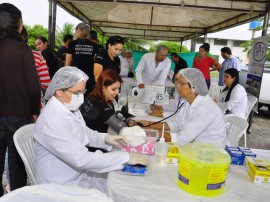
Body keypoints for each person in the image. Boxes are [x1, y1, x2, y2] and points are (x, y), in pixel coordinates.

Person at [33, 67, 147, 192]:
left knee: (121, 185)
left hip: (76, 173)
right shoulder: (53, 121)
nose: (81, 97)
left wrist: (106, 139)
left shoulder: (69, 108)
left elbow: (84, 132)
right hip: (58, 183)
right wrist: (125, 158)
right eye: (77, 93)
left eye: (83, 92)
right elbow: (82, 159)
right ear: (59, 91)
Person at [0, 3, 41, 196]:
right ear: (18, 23)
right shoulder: (22, 49)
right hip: (18, 113)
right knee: (16, 162)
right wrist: (35, 110)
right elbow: (34, 87)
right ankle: (17, 197)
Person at [139, 68, 228, 149]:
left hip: (210, 154)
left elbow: (181, 139)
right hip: (194, 147)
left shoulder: (205, 109)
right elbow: (174, 124)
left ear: (194, 87)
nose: (177, 86)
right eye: (177, 82)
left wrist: (150, 132)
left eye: (181, 83)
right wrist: (148, 124)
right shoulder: (188, 102)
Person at [81, 69, 136, 137]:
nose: (117, 92)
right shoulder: (101, 107)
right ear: (103, 87)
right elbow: (126, 131)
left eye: (118, 88)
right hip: (94, 144)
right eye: (113, 89)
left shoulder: (91, 96)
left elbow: (113, 114)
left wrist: (128, 120)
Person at [65, 23, 99, 95]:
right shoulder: (95, 45)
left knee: (75, 101)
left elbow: (67, 65)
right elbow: (96, 63)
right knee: (88, 102)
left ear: (79, 30)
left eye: (75, 30)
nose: (75, 33)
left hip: (76, 78)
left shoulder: (72, 44)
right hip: (89, 79)